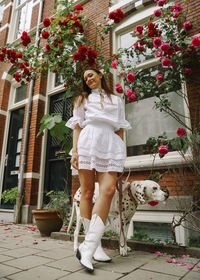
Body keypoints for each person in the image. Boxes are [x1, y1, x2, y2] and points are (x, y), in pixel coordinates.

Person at [65, 68, 131, 272]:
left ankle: (88, 246)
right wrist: (74, 151)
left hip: (110, 143)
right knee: (87, 192)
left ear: (101, 75)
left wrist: (119, 151)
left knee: (108, 190)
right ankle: (95, 247)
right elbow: (77, 127)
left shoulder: (117, 100)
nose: (89, 79)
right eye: (85, 78)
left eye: (91, 75)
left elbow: (119, 127)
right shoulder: (81, 100)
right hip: (88, 140)